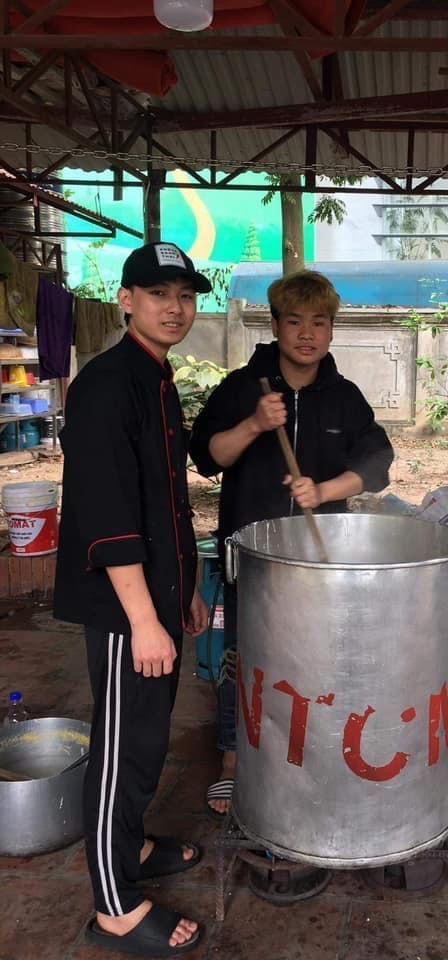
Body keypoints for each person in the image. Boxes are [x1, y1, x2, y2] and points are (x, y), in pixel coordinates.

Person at [54, 242, 210, 956]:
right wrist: (146, 621)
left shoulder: (156, 378)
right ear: (126, 301)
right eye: (157, 294)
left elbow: (167, 503)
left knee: (146, 737)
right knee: (121, 750)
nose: (174, 308)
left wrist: (187, 592)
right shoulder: (106, 386)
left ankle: (133, 845)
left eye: (185, 295)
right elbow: (110, 516)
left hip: (158, 601)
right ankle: (114, 907)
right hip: (126, 611)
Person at [189, 269, 394, 815]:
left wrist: (325, 489)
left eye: (319, 323)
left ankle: (307, 750)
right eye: (295, 321)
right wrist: (254, 425)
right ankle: (233, 756)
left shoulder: (344, 398)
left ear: (332, 330)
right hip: (251, 558)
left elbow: (378, 461)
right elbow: (207, 456)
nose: (307, 334)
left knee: (316, 657)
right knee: (243, 655)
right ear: (276, 326)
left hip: (319, 560)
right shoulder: (242, 388)